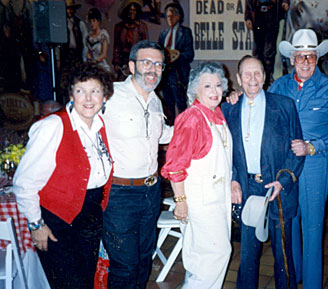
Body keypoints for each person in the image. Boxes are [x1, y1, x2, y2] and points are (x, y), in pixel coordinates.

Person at [12, 62, 114, 289]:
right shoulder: (52, 126)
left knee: (86, 281)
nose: (88, 98)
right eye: (80, 91)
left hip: (90, 216)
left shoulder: (101, 125)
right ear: (71, 95)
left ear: (104, 97)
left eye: (95, 91)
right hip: (57, 221)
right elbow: (24, 183)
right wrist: (36, 224)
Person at [268, 28, 328, 288]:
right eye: (300, 57)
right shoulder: (278, 86)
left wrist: (312, 146)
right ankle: (294, 277)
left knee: (312, 227)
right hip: (286, 167)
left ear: (317, 58)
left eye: (310, 57)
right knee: (289, 222)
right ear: (292, 59)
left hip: (314, 164)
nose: (305, 62)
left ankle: (312, 284)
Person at [222, 55, 304, 289]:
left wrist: (284, 181)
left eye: (257, 73)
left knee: (283, 253)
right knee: (248, 254)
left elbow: (296, 149)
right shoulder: (228, 108)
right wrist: (234, 181)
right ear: (238, 79)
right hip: (247, 188)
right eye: (246, 74)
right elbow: (225, 151)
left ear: (265, 76)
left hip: (277, 188)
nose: (252, 79)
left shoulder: (284, 105)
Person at [102, 40, 173, 289]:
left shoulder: (155, 100)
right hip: (120, 195)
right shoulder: (109, 94)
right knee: (125, 265)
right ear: (132, 66)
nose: (152, 69)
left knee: (144, 259)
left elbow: (162, 134)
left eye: (158, 64)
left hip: (151, 191)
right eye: (146, 63)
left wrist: (196, 124)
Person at [161, 62, 232, 288]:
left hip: (217, 199)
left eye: (218, 85)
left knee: (204, 260)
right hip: (201, 202)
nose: (214, 91)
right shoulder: (192, 118)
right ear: (195, 90)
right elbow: (174, 166)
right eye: (208, 86)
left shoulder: (215, 114)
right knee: (215, 256)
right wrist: (181, 202)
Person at [157, 2, 194, 125]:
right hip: (165, 72)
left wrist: (176, 55)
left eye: (172, 16)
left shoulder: (185, 32)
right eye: (168, 16)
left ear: (178, 17)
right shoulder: (163, 34)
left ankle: (185, 129)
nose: (170, 19)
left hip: (178, 72)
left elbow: (190, 54)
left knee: (181, 102)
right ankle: (170, 130)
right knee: (167, 102)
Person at [245, 0, 289, 83]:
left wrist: (285, 2)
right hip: (258, 17)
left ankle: (268, 76)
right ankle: (257, 75)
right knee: (258, 50)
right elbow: (248, 3)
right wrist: (248, 17)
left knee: (270, 50)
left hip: (272, 17)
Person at [113, 0, 149, 80]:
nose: (132, 13)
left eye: (134, 10)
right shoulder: (119, 27)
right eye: (130, 10)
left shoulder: (142, 27)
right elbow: (116, 46)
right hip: (123, 62)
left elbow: (145, 47)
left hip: (137, 61)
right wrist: (116, 62)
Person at [85, 8, 111, 72]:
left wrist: (95, 61)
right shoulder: (89, 36)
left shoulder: (103, 35)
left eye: (94, 21)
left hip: (101, 65)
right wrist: (89, 59)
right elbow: (89, 52)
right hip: (91, 65)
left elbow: (104, 54)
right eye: (90, 21)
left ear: (98, 21)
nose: (92, 24)